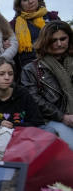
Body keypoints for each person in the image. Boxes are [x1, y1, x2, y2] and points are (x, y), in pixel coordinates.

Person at [21, 21, 73, 149]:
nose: (59, 44)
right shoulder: (32, 69)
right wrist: (62, 117)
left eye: (63, 39)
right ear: (45, 41)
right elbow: (34, 99)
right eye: (53, 40)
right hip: (53, 120)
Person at [10, 0, 60, 75]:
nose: (30, 1)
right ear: (19, 4)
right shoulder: (13, 24)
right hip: (29, 68)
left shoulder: (52, 17)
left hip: (55, 62)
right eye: (25, 0)